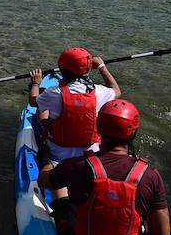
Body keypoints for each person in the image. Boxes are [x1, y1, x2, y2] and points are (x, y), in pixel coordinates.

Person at [39, 100, 171, 235]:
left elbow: (44, 182)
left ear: (99, 128)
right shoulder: (150, 176)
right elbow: (163, 234)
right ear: (133, 133)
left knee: (60, 190)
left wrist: (46, 163)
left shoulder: (76, 165)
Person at [28, 47, 121, 200]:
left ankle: (60, 197)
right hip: (90, 154)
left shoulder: (54, 93)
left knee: (41, 111)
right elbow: (116, 91)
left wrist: (35, 84)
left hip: (56, 155)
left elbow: (32, 101)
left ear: (63, 71)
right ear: (88, 69)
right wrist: (102, 67)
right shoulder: (99, 92)